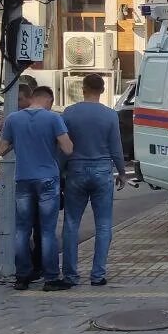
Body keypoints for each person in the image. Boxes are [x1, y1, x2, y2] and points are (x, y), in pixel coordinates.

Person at [0, 86, 73, 291]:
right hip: (47, 179)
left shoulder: (13, 119)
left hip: (23, 179)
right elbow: (68, 148)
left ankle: (22, 277)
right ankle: (51, 278)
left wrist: (17, 143)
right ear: (48, 100)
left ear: (32, 98)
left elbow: (1, 150)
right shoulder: (53, 119)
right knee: (47, 231)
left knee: (22, 230)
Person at [61, 73, 126, 287]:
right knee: (104, 225)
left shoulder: (69, 113)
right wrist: (122, 172)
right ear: (103, 90)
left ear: (83, 88)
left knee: (71, 224)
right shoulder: (110, 115)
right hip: (101, 171)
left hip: (76, 170)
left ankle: (70, 275)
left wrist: (61, 170)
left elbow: (62, 146)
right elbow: (116, 148)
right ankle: (97, 275)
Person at [0, 83, 44, 279]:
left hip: (36, 178)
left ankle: (36, 268)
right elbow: (0, 148)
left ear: (30, 98)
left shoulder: (36, 116)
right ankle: (27, 271)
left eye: (18, 100)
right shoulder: (14, 120)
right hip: (27, 178)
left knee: (36, 228)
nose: (16, 105)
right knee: (26, 227)